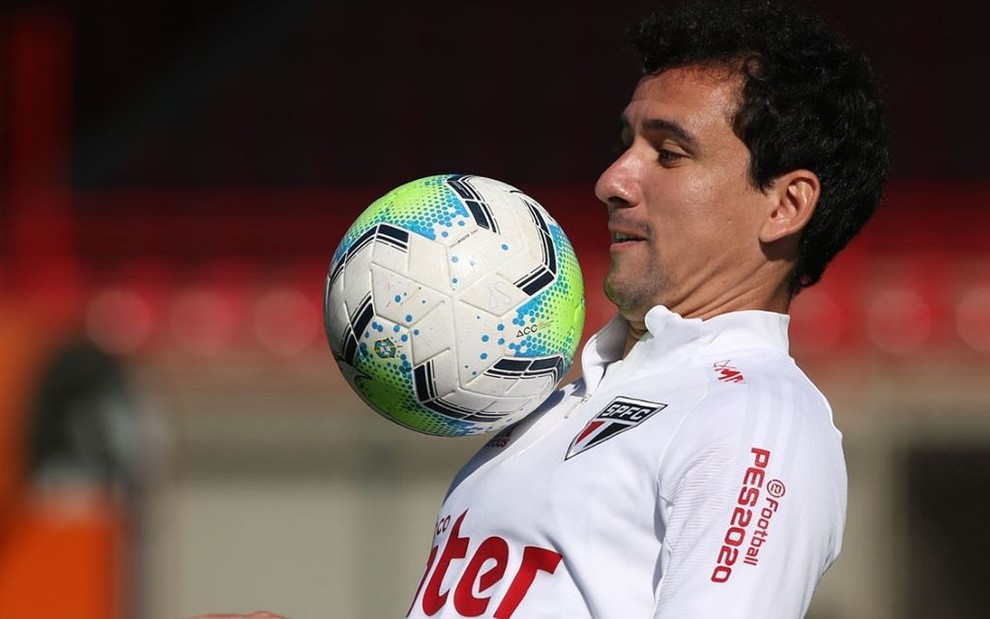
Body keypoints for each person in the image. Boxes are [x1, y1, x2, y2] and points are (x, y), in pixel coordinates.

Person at [405, 0, 887, 617]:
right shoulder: (566, 396)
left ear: (785, 206)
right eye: (626, 143)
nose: (612, 179)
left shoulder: (754, 416)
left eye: (669, 153)